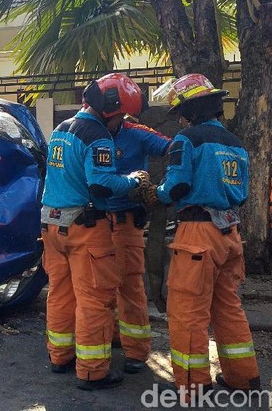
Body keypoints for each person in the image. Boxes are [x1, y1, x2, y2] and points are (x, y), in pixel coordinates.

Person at [141, 73, 260, 403]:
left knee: (187, 311)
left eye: (180, 111)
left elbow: (176, 186)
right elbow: (244, 194)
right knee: (228, 308)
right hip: (230, 233)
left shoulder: (187, 139)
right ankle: (243, 378)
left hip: (197, 234)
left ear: (190, 111)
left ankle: (193, 387)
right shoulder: (235, 144)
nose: (178, 118)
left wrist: (155, 194)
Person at [41, 73, 149, 390]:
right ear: (111, 111)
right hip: (84, 229)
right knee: (95, 300)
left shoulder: (60, 130)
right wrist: (134, 181)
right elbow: (101, 185)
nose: (121, 124)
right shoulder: (98, 136)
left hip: (51, 225)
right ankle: (92, 371)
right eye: (122, 117)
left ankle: (60, 356)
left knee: (60, 294)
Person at [107, 115, 171, 374]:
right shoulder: (88, 130)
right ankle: (111, 336)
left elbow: (175, 148)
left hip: (125, 221)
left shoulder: (137, 133)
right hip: (95, 222)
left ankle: (136, 350)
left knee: (130, 286)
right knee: (99, 287)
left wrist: (163, 188)